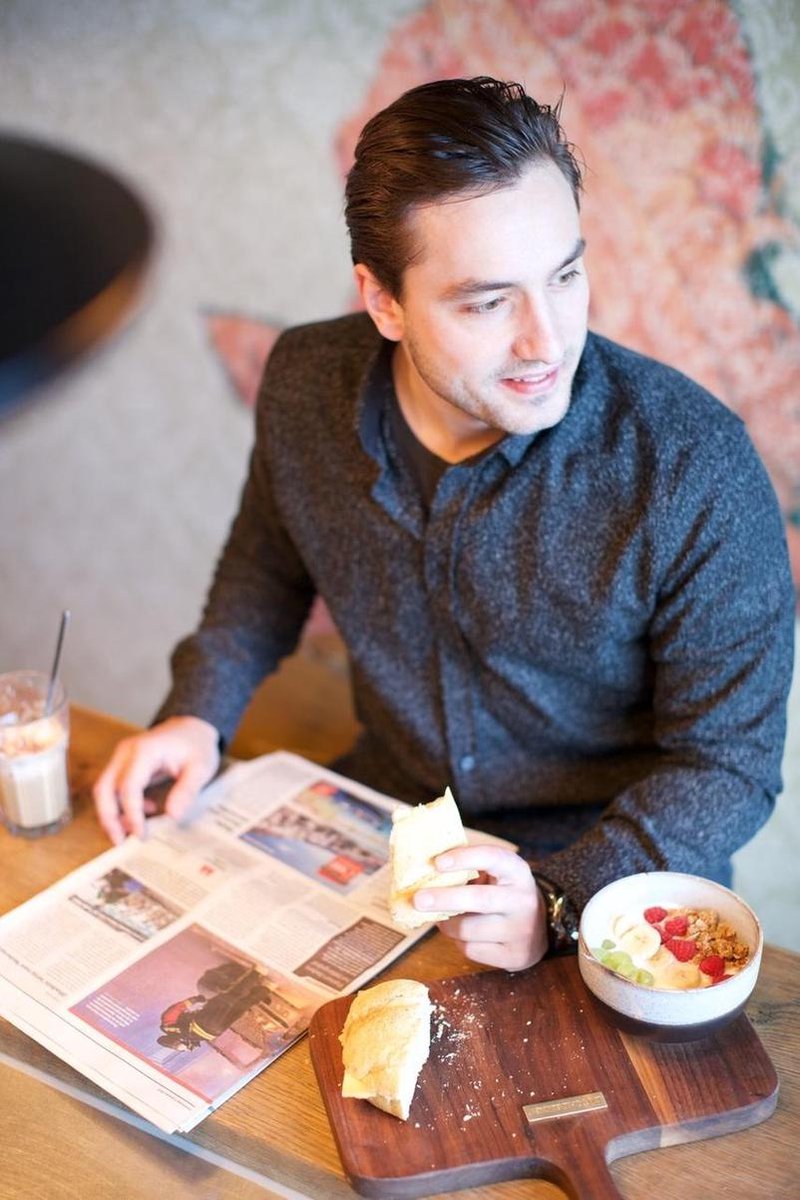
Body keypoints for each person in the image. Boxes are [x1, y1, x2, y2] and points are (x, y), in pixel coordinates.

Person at [94, 77, 794, 972]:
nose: (548, 341)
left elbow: (728, 764)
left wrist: (560, 898)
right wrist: (197, 713)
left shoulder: (695, 466)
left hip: (606, 880)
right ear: (383, 302)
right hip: (387, 828)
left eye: (566, 275)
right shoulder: (304, 382)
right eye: (487, 302)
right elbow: (267, 573)